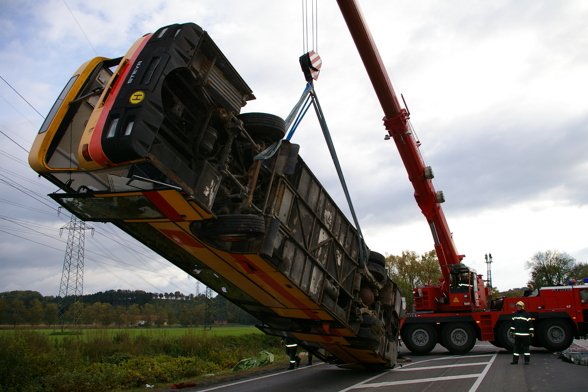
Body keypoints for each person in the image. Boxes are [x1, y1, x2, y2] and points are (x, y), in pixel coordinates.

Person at [510, 301, 534, 365]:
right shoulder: (515, 314)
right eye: (517, 306)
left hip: (525, 335)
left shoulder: (526, 314)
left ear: (522, 307)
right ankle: (515, 361)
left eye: (519, 306)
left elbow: (530, 324)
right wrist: (511, 331)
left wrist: (531, 332)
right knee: (516, 349)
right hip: (517, 335)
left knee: (526, 348)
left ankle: (527, 361)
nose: (518, 307)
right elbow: (513, 324)